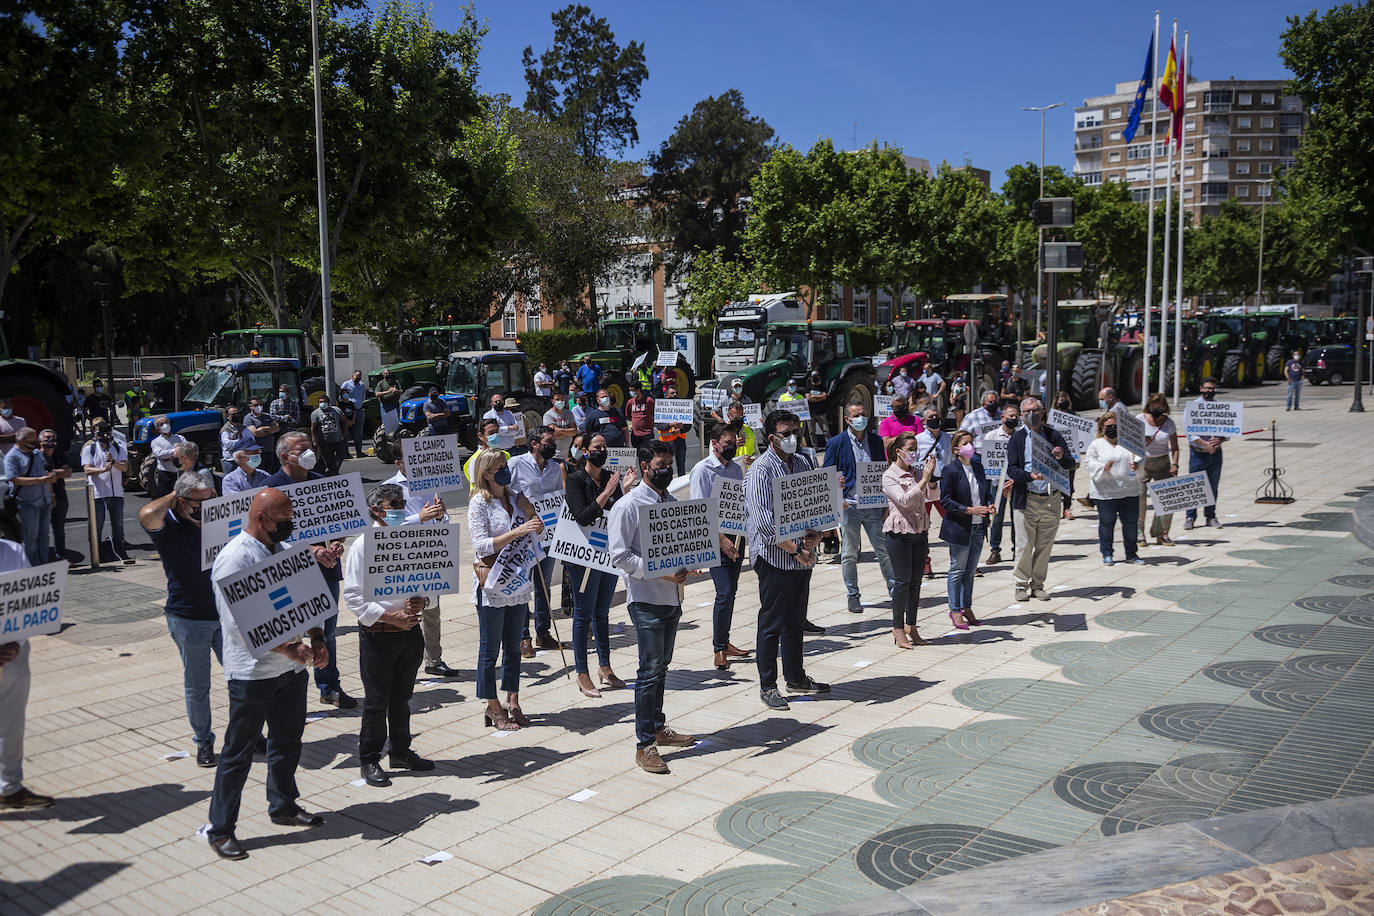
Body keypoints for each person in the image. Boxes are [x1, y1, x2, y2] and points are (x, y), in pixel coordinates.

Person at [206, 489, 330, 861]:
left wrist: (318, 637)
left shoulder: (287, 551)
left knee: (287, 742)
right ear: (261, 518)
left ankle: (284, 805)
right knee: (238, 752)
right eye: (282, 518)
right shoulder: (234, 559)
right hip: (253, 674)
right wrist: (288, 648)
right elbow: (236, 625)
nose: (289, 525)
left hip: (291, 671)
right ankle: (221, 829)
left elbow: (307, 600)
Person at [608, 440, 697, 774]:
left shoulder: (671, 501)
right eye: (660, 464)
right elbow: (620, 556)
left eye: (668, 464)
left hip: (672, 598)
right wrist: (660, 572)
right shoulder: (628, 506)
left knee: (662, 667)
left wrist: (689, 564)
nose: (666, 470)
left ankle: (658, 727)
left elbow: (681, 544)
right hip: (646, 600)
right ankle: (644, 744)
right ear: (644, 466)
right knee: (648, 672)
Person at [342, 484, 435, 787]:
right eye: (393, 504)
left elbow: (429, 584)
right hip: (379, 634)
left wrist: (424, 600)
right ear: (377, 510)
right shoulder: (362, 546)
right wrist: (388, 616)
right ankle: (369, 758)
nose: (399, 508)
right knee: (376, 701)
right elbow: (354, 598)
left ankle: (401, 751)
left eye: (401, 503)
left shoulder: (411, 541)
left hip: (408, 634)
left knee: (402, 698)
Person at [745, 410, 829, 712]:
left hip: (802, 558)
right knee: (771, 624)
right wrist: (796, 550)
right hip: (776, 560)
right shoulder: (761, 471)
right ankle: (768, 685)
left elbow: (816, 503)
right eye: (787, 432)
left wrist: (815, 538)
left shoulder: (804, 461)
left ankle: (796, 677)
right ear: (771, 438)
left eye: (797, 430)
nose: (794, 436)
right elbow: (765, 524)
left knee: (795, 623)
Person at [265, 432, 354, 708]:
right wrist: (310, 551)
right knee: (289, 636)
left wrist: (338, 544)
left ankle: (329, 686)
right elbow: (268, 538)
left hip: (326, 572)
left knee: (326, 633)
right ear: (284, 457)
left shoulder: (321, 484)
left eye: (309, 448)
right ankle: (285, 695)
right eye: (301, 450)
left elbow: (340, 525)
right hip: (289, 574)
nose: (309, 453)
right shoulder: (270, 490)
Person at [140, 472, 223, 767]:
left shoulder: (219, 524)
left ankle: (250, 734)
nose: (205, 508)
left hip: (226, 615)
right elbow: (147, 513)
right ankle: (203, 742)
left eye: (210, 500)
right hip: (189, 618)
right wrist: (175, 496)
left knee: (245, 679)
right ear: (180, 502)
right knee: (198, 685)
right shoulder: (168, 529)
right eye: (198, 503)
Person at [467, 448, 542, 731]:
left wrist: (528, 511)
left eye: (505, 465)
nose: (505, 469)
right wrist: (515, 533)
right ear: (487, 473)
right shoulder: (479, 503)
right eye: (500, 466)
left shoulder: (514, 498)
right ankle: (492, 704)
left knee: (513, 647)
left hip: (518, 582)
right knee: (490, 650)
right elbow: (482, 546)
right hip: (493, 585)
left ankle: (513, 699)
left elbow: (538, 531)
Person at [565, 432, 631, 696]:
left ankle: (605, 666)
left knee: (602, 612)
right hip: (583, 559)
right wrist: (606, 493)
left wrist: (625, 489)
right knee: (583, 615)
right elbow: (582, 516)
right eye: (597, 447)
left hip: (606, 555)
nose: (602, 450)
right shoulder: (575, 480)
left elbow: (618, 512)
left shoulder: (609, 477)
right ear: (584, 451)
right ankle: (582, 673)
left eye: (604, 447)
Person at [0, 537, 55, 810]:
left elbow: (29, 603)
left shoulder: (13, 551)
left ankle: (8, 787)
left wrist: (14, 644)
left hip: (13, 655)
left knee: (11, 725)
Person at [824, 403, 895, 613]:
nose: (861, 418)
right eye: (856, 415)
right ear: (847, 419)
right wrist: (839, 497)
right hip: (850, 506)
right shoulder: (836, 443)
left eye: (863, 414)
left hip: (873, 505)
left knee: (884, 551)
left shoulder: (875, 441)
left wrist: (885, 504)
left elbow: (881, 474)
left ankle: (894, 590)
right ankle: (853, 595)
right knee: (849, 554)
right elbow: (828, 475)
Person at [1006, 397, 1078, 601]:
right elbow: (1012, 469)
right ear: (1021, 415)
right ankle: (1020, 585)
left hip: (1050, 499)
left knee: (1044, 545)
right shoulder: (1017, 439)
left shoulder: (1053, 435)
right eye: (1027, 411)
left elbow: (1070, 463)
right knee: (1025, 544)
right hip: (1026, 499)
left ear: (1043, 411)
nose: (1032, 414)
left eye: (1035, 410)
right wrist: (1029, 476)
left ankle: (1037, 585)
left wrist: (1060, 456)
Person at [690, 422, 749, 670]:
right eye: (726, 445)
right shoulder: (702, 470)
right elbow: (699, 510)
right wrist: (721, 539)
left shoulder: (736, 469)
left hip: (737, 537)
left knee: (731, 592)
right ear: (714, 444)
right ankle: (719, 649)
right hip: (716, 541)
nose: (731, 448)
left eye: (734, 444)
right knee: (723, 592)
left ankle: (725, 641)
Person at [508, 426, 563, 653]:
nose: (553, 445)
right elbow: (506, 494)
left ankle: (543, 632)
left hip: (547, 534)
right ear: (534, 444)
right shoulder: (516, 464)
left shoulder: (554, 468)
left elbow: (559, 497)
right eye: (548, 441)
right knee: (523, 585)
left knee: (544, 585)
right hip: (523, 533)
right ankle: (523, 636)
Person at [883, 432, 937, 648]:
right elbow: (904, 500)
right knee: (902, 583)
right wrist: (924, 479)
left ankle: (911, 626)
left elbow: (932, 497)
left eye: (916, 449)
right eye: (910, 449)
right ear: (899, 451)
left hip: (919, 532)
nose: (914, 453)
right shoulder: (890, 476)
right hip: (898, 535)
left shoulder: (916, 472)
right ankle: (897, 628)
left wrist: (930, 479)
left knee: (916, 583)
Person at [939, 429, 993, 630]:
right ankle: (955, 610)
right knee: (957, 569)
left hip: (979, 526)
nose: (970, 446)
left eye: (971, 442)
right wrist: (968, 510)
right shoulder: (950, 471)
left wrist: (989, 504)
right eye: (965, 443)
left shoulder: (978, 467)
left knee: (970, 571)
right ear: (956, 449)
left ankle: (967, 607)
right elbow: (946, 501)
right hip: (960, 527)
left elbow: (984, 493)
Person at [1082, 412, 1144, 566]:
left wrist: (1136, 464)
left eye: (1115, 426)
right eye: (1109, 426)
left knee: (1130, 524)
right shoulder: (1096, 444)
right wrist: (1103, 467)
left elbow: (1140, 457)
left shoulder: (1128, 443)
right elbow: (1089, 462)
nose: (1112, 429)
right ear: (1102, 427)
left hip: (1128, 490)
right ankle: (1107, 553)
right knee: (1107, 522)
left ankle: (1131, 553)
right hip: (1106, 492)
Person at [81, 420, 133, 564]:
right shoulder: (89, 449)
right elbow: (86, 469)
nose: (103, 434)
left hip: (116, 494)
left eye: (106, 431)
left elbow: (124, 467)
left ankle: (120, 552)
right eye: (99, 431)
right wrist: (102, 469)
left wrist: (113, 461)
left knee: (118, 525)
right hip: (98, 494)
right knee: (97, 526)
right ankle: (97, 556)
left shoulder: (118, 447)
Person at [5, 428, 53, 568]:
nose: (34, 444)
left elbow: (46, 470)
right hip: (28, 503)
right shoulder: (12, 457)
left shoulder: (37, 453)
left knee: (44, 536)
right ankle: (32, 566)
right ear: (20, 440)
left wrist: (51, 492)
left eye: (34, 441)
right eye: (30, 441)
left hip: (44, 500)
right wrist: (39, 480)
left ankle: (43, 564)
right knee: (31, 538)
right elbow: (14, 479)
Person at [1138, 393, 1180, 547]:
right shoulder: (1140, 419)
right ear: (1149, 405)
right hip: (1143, 462)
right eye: (1153, 405)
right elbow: (1128, 441)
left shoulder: (1169, 423)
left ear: (1164, 407)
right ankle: (1139, 533)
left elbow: (1175, 447)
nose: (1156, 408)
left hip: (1163, 463)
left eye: (1159, 405)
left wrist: (1175, 464)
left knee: (1167, 499)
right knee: (1140, 499)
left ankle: (1161, 532)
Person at [1185, 378, 1226, 531]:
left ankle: (1210, 516)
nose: (1209, 391)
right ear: (1201, 388)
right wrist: (1206, 444)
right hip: (1198, 453)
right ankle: (1190, 517)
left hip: (1215, 453)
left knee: (1213, 486)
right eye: (1207, 388)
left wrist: (1220, 439)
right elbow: (1190, 433)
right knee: (1194, 486)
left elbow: (1227, 430)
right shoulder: (1193, 407)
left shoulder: (1220, 408)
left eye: (1212, 389)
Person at [983, 404, 1020, 565]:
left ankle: (1016, 549)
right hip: (997, 483)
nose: (1013, 419)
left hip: (1016, 482)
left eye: (1016, 416)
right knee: (997, 517)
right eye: (1010, 416)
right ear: (1002, 417)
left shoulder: (1022, 436)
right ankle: (995, 550)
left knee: (1017, 518)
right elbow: (988, 462)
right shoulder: (991, 436)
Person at [38, 430, 71, 562]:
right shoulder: (37, 456)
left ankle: (61, 557)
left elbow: (68, 473)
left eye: (52, 439)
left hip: (60, 496)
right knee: (42, 531)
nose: (50, 441)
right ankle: (42, 559)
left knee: (59, 529)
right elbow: (41, 474)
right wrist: (56, 472)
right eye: (46, 439)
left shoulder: (60, 454)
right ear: (40, 442)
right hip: (41, 497)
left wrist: (51, 472)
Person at [655, 380, 689, 476]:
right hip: (666, 442)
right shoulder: (661, 408)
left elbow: (688, 425)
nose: (675, 394)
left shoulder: (682, 407)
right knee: (665, 465)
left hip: (680, 440)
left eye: (676, 393)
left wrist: (680, 430)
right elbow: (658, 425)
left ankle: (681, 484)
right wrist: (670, 425)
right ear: (667, 396)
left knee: (681, 465)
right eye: (672, 393)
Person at [149, 415, 187, 496]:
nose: (164, 425)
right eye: (161, 424)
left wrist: (169, 457)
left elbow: (186, 450)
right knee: (167, 500)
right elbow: (160, 455)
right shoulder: (155, 442)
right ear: (157, 428)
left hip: (180, 473)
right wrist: (176, 452)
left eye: (166, 422)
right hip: (165, 476)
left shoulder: (180, 438)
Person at [309, 395, 347, 475]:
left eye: (324, 402)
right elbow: (313, 428)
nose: (323, 403)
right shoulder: (315, 413)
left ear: (328, 402)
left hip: (338, 439)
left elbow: (344, 421)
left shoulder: (336, 410)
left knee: (341, 454)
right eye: (320, 402)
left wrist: (344, 434)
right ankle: (332, 472)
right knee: (328, 458)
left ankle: (333, 470)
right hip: (324, 441)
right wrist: (314, 440)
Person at [244, 397, 281, 473]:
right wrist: (270, 429)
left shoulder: (268, 416)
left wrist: (262, 429)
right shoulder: (248, 419)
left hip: (269, 450)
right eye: (256, 405)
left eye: (260, 404)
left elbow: (277, 428)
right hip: (257, 453)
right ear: (251, 407)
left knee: (269, 473)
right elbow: (255, 433)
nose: (259, 406)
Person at [960, 390, 1002, 457]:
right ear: (983, 403)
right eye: (990, 402)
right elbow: (961, 435)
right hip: (978, 456)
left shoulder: (1002, 416)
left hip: (998, 456)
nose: (993, 404)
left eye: (995, 402)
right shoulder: (973, 415)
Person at [339, 370, 368, 459]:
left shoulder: (362, 385)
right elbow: (341, 397)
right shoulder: (346, 384)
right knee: (346, 433)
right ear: (352, 376)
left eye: (359, 377)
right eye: (356, 377)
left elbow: (363, 396)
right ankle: (345, 453)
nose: (358, 379)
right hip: (348, 410)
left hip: (358, 410)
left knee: (358, 433)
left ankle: (359, 451)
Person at [543, 394, 578, 459]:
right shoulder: (548, 415)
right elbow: (554, 435)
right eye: (557, 399)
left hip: (567, 454)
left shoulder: (569, 413)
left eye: (562, 399)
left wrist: (560, 430)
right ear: (552, 401)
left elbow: (574, 431)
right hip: (554, 455)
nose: (560, 401)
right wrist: (569, 432)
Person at [625, 382, 655, 449]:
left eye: (632, 390)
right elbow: (629, 416)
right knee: (638, 454)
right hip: (635, 434)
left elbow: (654, 413)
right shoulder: (630, 402)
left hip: (647, 433)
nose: (630, 392)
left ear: (638, 390)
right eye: (630, 390)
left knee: (648, 454)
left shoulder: (649, 401)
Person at [219, 407, 249, 473]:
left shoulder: (243, 428)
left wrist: (235, 442)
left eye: (237, 414)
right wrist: (243, 441)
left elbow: (251, 441)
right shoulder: (225, 430)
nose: (236, 416)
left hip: (244, 461)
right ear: (227, 416)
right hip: (231, 461)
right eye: (233, 414)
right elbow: (230, 446)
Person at [804, 371, 830, 446]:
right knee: (812, 432)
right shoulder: (807, 387)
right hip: (810, 413)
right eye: (814, 377)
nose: (815, 378)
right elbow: (808, 398)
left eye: (817, 377)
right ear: (811, 378)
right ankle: (815, 446)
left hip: (821, 412)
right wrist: (820, 397)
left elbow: (824, 396)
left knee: (826, 430)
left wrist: (814, 397)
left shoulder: (822, 387)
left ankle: (829, 445)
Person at [374, 369, 402, 435]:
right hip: (385, 406)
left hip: (394, 405)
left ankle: (395, 437)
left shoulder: (395, 382)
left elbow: (401, 392)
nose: (387, 374)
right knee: (386, 424)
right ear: (383, 375)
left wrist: (396, 391)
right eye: (386, 373)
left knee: (395, 423)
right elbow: (377, 394)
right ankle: (386, 437)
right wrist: (388, 392)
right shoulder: (381, 383)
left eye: (388, 373)